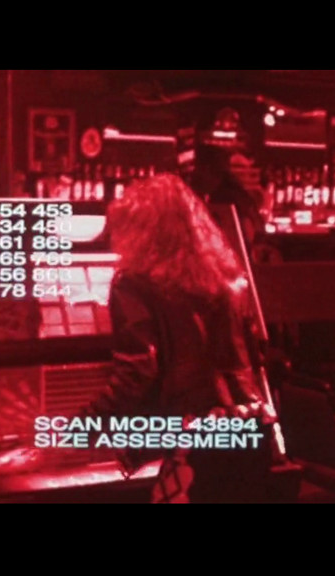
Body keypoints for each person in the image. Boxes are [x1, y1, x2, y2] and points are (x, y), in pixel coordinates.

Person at [85, 173, 274, 503]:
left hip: (192, 438)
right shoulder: (229, 279)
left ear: (137, 230)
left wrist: (82, 426)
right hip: (251, 427)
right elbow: (255, 355)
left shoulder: (134, 284)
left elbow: (138, 371)